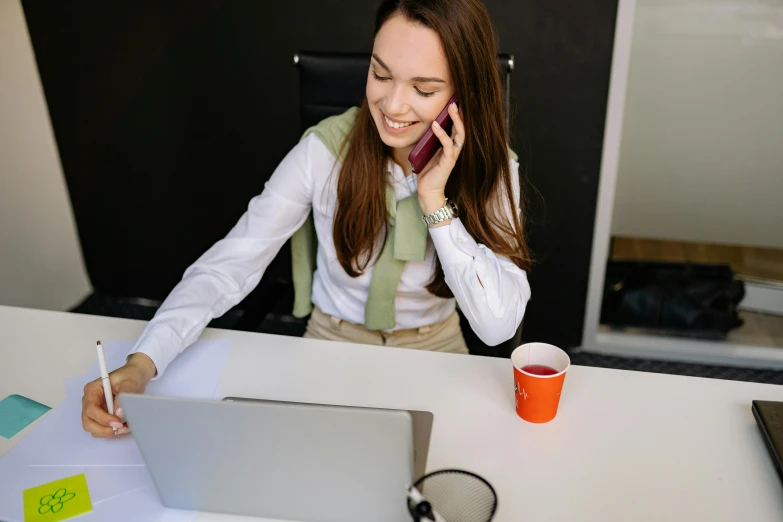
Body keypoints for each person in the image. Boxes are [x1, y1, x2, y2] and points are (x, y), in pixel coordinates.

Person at [81, 0, 532, 438]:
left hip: (436, 347)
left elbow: (497, 326)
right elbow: (231, 264)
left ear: (463, 93)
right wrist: (143, 361)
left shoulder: (492, 169)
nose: (393, 106)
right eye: (380, 74)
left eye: (424, 89)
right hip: (331, 341)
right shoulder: (322, 151)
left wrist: (435, 203)